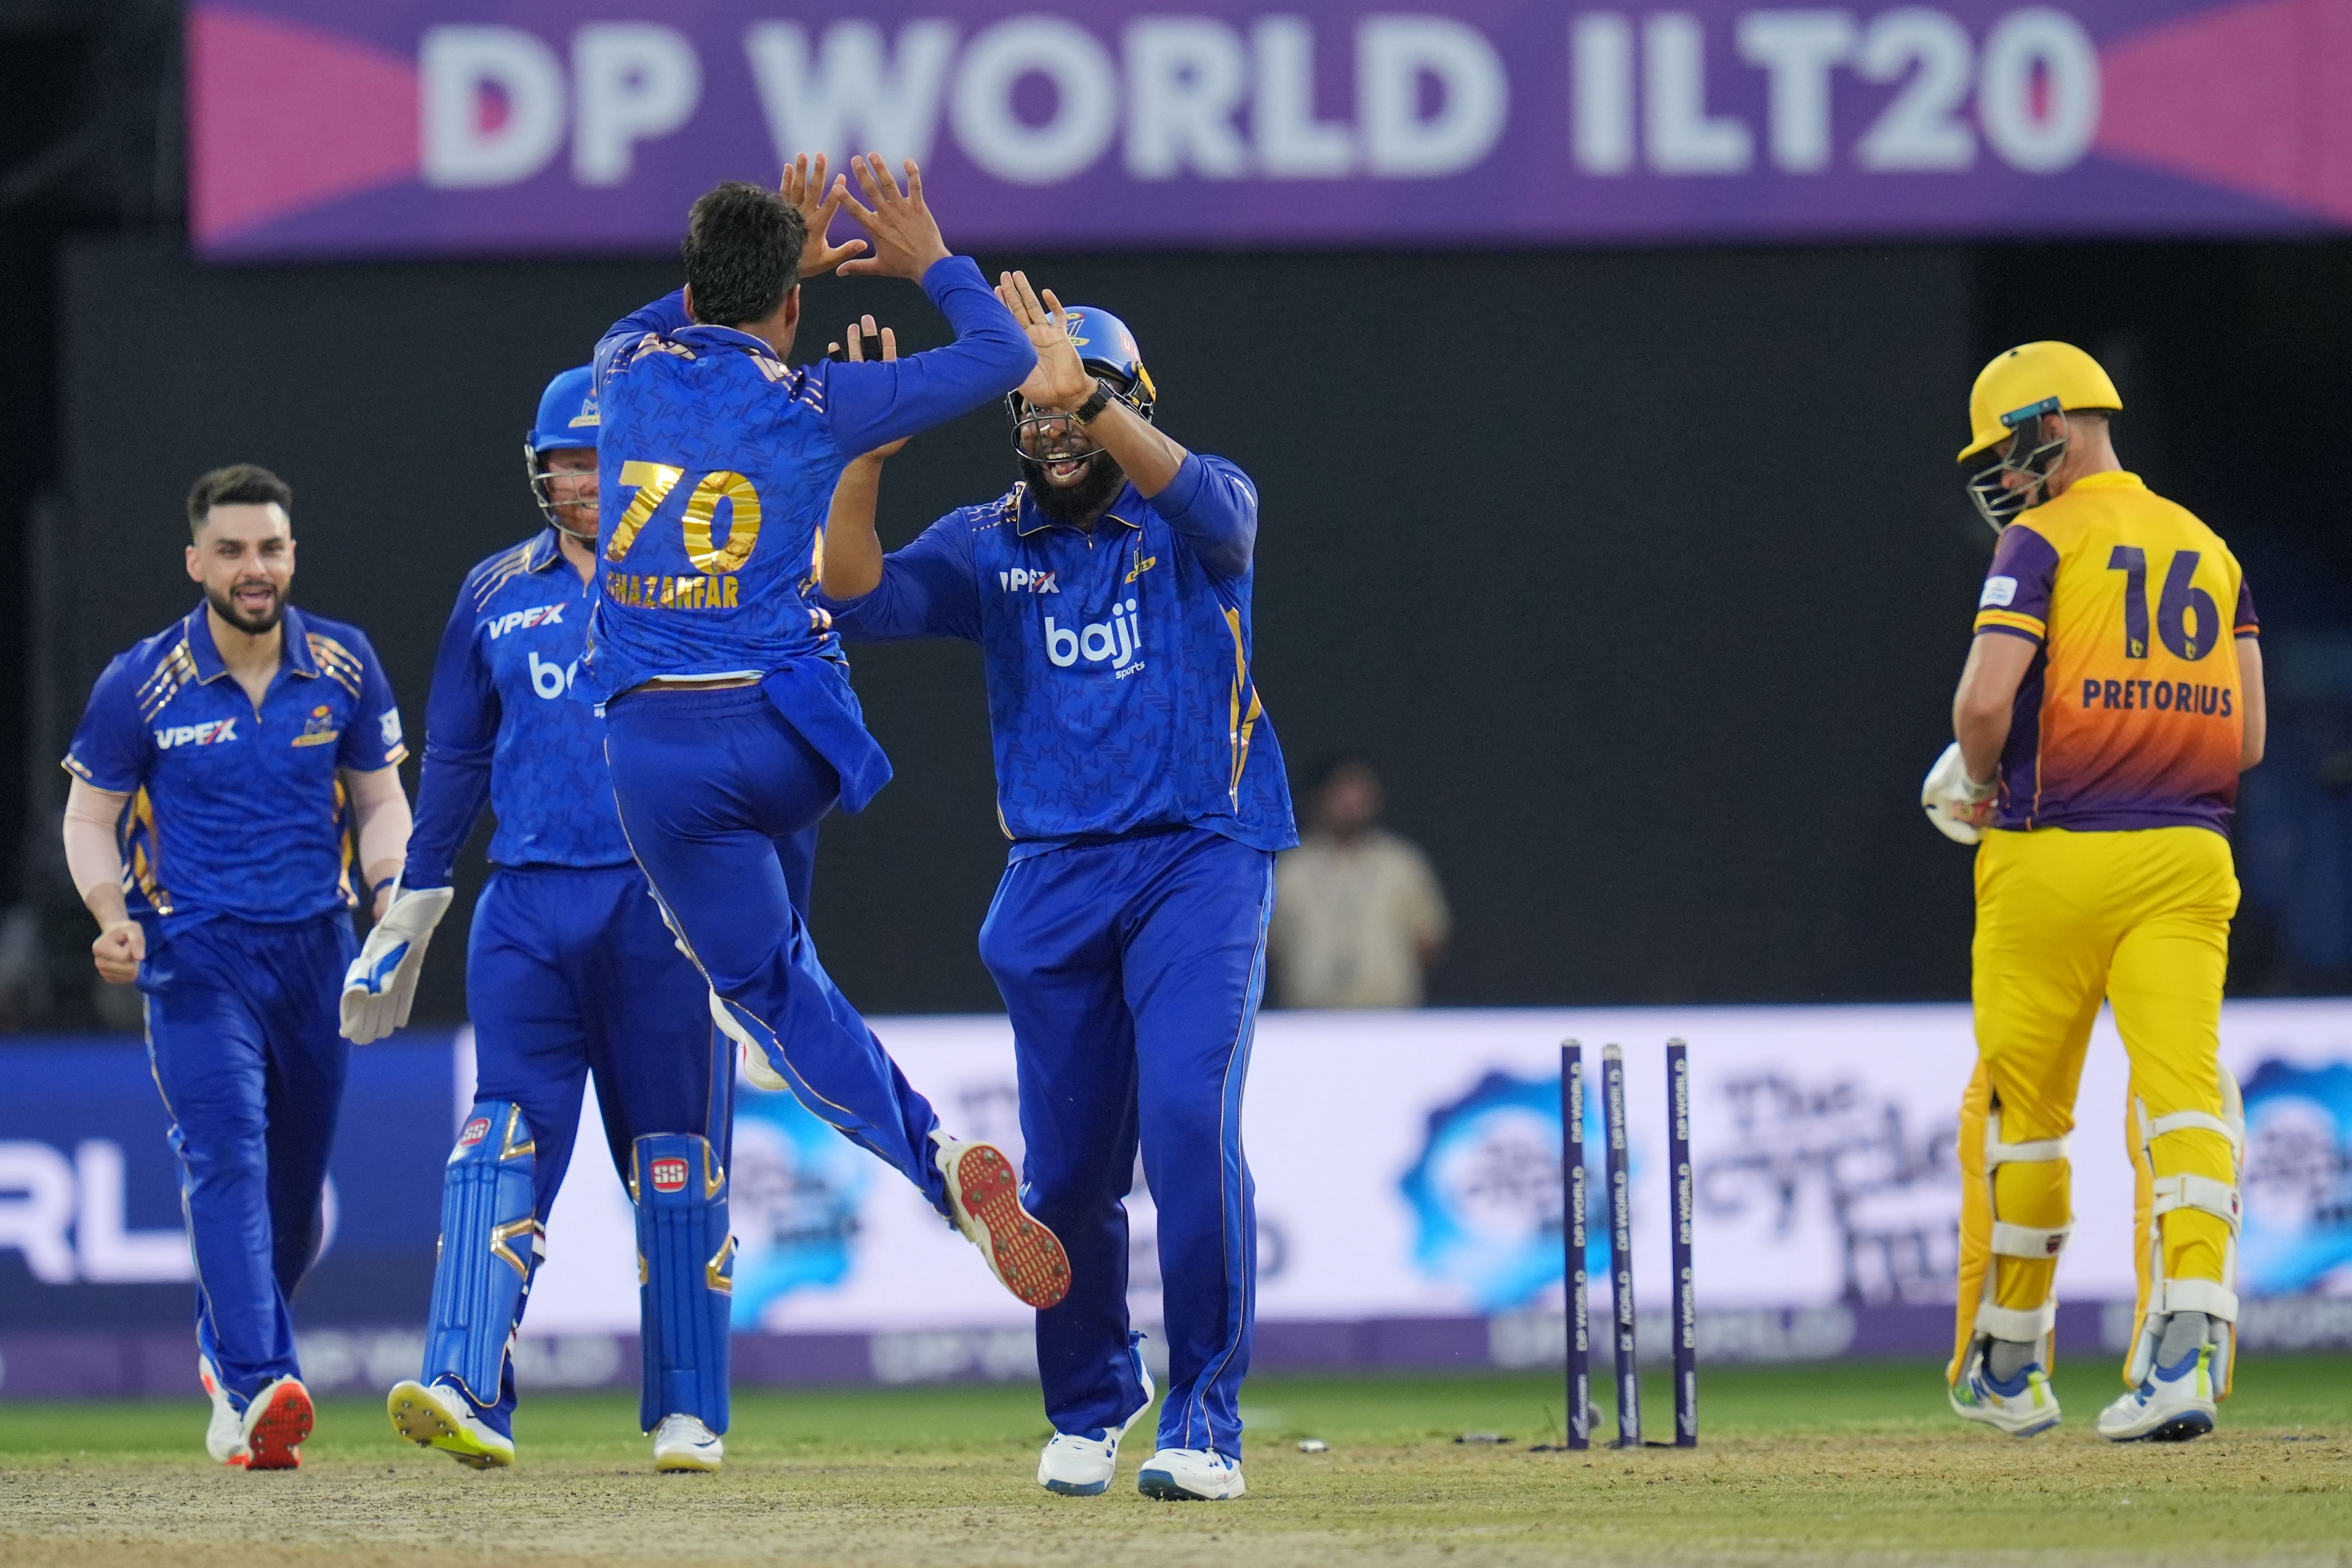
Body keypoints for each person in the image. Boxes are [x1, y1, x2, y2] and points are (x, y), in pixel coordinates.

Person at [818, 275, 1296, 1502]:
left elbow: (1214, 510)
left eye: (1075, 409)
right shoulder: (989, 542)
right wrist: (865, 453)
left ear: (1127, 402)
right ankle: (1092, 1399)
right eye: (1033, 415)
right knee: (1069, 1178)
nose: (1054, 434)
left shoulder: (1198, 513)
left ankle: (1204, 1417)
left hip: (1199, 857)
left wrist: (1086, 395)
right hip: (1053, 880)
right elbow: (853, 594)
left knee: (1186, 1126)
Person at [577, 154, 1069, 1312]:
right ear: (791, 308)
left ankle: (940, 1163)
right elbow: (1001, 356)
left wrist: (765, 261)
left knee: (768, 988)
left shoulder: (621, 366)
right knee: (769, 935)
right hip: (796, 737)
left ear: (692, 289)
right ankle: (762, 987)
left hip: (667, 750)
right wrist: (929, 257)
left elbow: (677, 310)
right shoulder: (821, 404)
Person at [358, 367, 744, 1474]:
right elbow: (455, 756)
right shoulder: (493, 591)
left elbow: (757, 740)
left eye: (600, 462)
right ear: (538, 472)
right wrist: (414, 899)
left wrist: (760, 930)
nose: (583, 483)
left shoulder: (700, 573)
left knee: (674, 1159)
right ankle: (465, 1385)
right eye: (567, 465)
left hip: (660, 908)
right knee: (498, 1142)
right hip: (526, 908)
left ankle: (689, 1410)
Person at [1921, 342, 2264, 1442]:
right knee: (2185, 1099)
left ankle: (2008, 1361)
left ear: (2052, 428)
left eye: (2004, 452)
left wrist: (1981, 777)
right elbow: (2249, 738)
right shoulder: (2210, 547)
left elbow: (1985, 704)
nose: (1999, 478)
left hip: (2051, 850)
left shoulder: (2040, 539)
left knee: (2021, 1114)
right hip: (2188, 855)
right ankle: (2188, 1353)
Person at [59, 464, 412, 1469]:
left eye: (269, 548)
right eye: (231, 551)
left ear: (292, 555)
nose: (252, 569)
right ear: (196, 562)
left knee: (294, 1203)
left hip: (318, 955)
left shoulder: (344, 663)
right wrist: (110, 915)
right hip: (195, 956)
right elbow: (88, 818)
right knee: (227, 1159)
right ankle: (262, 1384)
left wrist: (393, 891)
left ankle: (226, 1363)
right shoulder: (140, 681)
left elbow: (380, 798)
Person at [1268, 754, 1449, 1008]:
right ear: (1320, 797)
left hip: (1390, 1016)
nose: (1351, 802)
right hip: (1309, 1018)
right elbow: (1267, 947)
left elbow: (1429, 941)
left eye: (1360, 792)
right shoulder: (1291, 869)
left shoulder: (1401, 863)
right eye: (1342, 791)